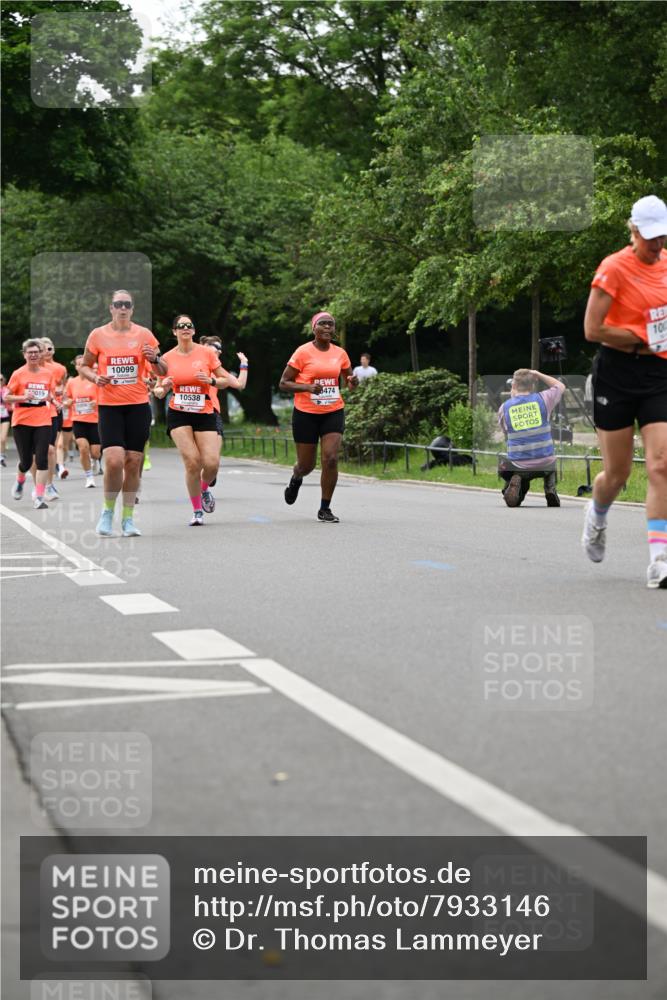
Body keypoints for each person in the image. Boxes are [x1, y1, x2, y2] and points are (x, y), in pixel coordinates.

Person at [582, 194, 667, 589]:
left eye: (662, 237)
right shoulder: (613, 268)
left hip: (657, 374)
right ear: (632, 231)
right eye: (650, 237)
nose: (656, 245)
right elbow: (593, 329)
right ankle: (597, 517)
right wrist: (639, 339)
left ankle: (659, 560)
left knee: (661, 465)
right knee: (616, 474)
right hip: (616, 373)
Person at [80, 290, 166, 536]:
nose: (122, 308)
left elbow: (162, 369)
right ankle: (107, 512)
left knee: (134, 461)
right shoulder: (98, 335)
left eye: (127, 304)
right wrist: (96, 377)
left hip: (138, 405)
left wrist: (155, 358)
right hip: (109, 406)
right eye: (118, 304)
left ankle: (128, 519)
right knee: (114, 460)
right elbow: (85, 366)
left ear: (132, 308)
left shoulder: (144, 335)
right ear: (111, 308)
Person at [153, 315, 247, 525]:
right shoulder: (166, 358)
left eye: (189, 326)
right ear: (174, 331)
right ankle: (197, 511)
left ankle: (204, 490)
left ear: (194, 331)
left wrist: (212, 380)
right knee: (192, 462)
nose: (185, 328)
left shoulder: (206, 353)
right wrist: (164, 387)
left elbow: (224, 380)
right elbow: (157, 390)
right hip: (179, 412)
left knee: (211, 464)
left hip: (204, 411)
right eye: (181, 326)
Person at [278, 311, 358, 522]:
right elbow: (284, 383)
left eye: (331, 325)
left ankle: (325, 508)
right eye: (322, 324)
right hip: (306, 413)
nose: (327, 328)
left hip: (333, 410)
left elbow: (348, 381)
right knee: (307, 465)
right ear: (314, 328)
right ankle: (296, 478)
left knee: (331, 459)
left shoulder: (340, 353)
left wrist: (353, 382)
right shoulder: (303, 352)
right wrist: (307, 387)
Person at [498, 368, 565, 507]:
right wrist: (538, 374)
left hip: (519, 465)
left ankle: (511, 490)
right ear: (532, 385)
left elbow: (506, 433)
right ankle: (550, 489)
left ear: (513, 385)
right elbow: (560, 386)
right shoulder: (544, 399)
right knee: (552, 461)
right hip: (545, 464)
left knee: (507, 469)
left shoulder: (504, 408)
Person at [5, 340, 57, 509]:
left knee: (42, 459)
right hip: (22, 420)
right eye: (30, 352)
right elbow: (6, 397)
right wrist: (23, 397)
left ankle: (39, 496)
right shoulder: (18, 374)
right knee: (26, 462)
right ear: (24, 354)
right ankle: (20, 481)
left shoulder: (48, 374)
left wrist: (55, 400)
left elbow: (49, 394)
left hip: (43, 419)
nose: (34, 355)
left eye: (36, 352)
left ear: (40, 354)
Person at [199, 335, 249, 489]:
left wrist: (244, 364)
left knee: (214, 461)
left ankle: (206, 481)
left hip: (212, 414)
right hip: (190, 415)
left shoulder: (218, 371)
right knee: (198, 458)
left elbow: (240, 384)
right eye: (215, 346)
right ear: (203, 346)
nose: (219, 350)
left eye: (220, 348)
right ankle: (200, 487)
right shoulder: (190, 363)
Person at [65, 355, 101, 488]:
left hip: (95, 420)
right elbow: (68, 398)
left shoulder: (95, 381)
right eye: (78, 364)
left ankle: (95, 460)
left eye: (83, 364)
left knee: (95, 453)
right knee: (83, 448)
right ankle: (89, 476)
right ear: (75, 367)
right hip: (78, 420)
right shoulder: (72, 382)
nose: (81, 366)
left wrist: (94, 403)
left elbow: (103, 398)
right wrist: (67, 402)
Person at [0, 374, 11, 466]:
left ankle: (1, 456)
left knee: (3, 439)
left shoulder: (6, 390)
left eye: (1, 379)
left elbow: (9, 401)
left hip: (4, 416)